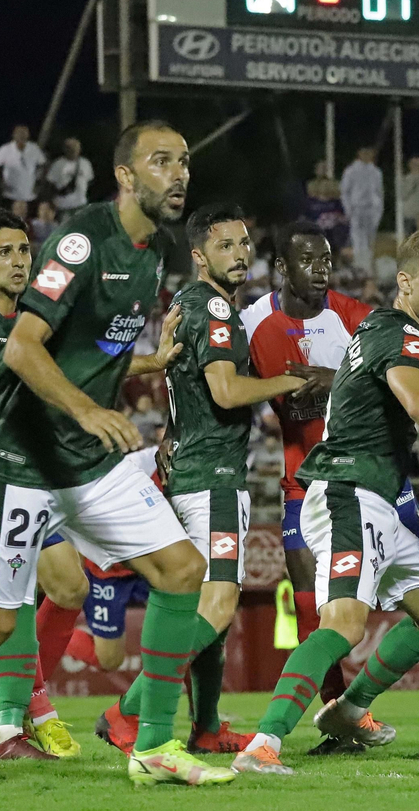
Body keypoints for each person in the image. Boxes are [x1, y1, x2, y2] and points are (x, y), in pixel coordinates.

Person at [0, 120, 224, 791]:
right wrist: (88, 409)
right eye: (161, 161)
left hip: (84, 460)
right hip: (15, 456)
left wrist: (134, 378)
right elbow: (22, 346)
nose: (179, 173)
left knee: (182, 568)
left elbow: (98, 354)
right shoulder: (84, 240)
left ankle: (153, 746)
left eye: (184, 160)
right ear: (124, 175)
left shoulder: (152, 252)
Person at [231, 229, 419, 775]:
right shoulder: (402, 336)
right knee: (344, 625)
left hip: (372, 495)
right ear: (405, 283)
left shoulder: (393, 328)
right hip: (349, 492)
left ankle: (350, 710)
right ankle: (265, 743)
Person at [152, 202, 308, 754]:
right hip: (213, 478)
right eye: (226, 246)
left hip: (189, 472)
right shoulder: (215, 310)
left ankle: (207, 728)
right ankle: (130, 712)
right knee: (219, 605)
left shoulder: (186, 306)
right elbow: (224, 391)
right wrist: (289, 382)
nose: (240, 254)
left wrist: (171, 433)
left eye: (245, 243)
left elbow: (183, 388)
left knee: (206, 613)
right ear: (199, 255)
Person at [0, 124, 47, 216]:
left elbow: (44, 165)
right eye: (19, 133)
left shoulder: (34, 148)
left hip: (30, 196)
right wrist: (0, 182)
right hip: (10, 196)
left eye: (24, 133)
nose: (22, 136)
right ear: (14, 135)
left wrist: (39, 183)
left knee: (29, 225)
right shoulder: (6, 149)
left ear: (28, 135)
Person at [341, 146, 384, 274]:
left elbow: (379, 193)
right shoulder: (351, 171)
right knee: (358, 241)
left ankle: (368, 269)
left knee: (370, 241)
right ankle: (360, 268)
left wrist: (378, 211)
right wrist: (348, 210)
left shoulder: (376, 172)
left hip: (371, 210)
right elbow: (345, 192)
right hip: (357, 209)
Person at [45, 136, 94, 213]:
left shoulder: (85, 163)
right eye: (70, 148)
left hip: (80, 205)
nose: (73, 150)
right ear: (65, 149)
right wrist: (50, 202)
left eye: (76, 147)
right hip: (62, 205)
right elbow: (49, 184)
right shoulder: (58, 164)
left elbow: (89, 181)